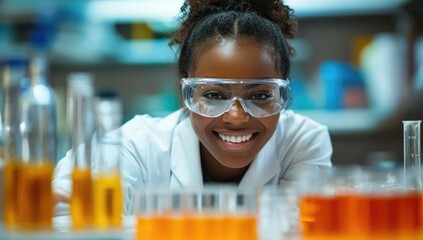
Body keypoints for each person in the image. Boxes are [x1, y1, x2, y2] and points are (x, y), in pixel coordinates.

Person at [53, 0, 332, 213]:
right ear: (185, 94)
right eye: (213, 95)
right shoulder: (139, 145)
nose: (236, 117)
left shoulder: (302, 141)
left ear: (284, 94)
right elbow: (64, 207)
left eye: (259, 97)